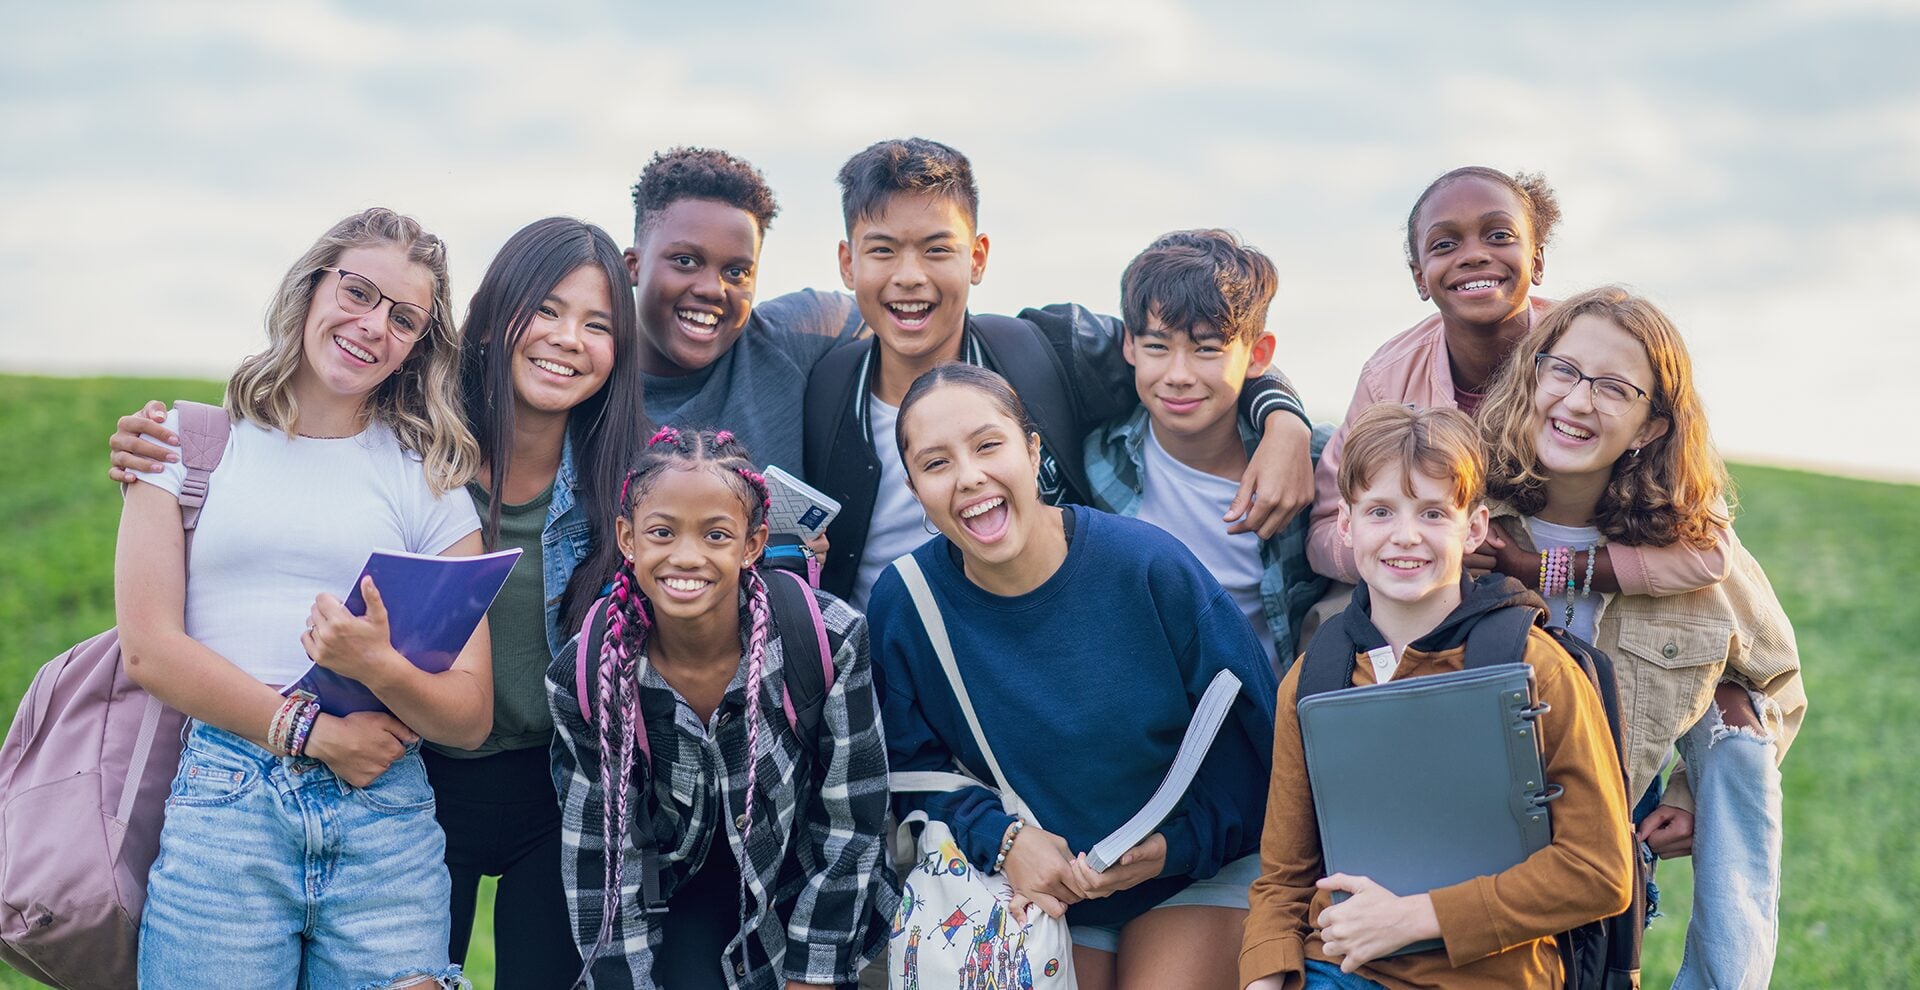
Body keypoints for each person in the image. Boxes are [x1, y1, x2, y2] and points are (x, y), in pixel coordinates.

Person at [116, 207, 490, 988]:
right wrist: (311, 733)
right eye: (356, 292)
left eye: (403, 318)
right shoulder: (181, 444)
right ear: (312, 286)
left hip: (384, 823)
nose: (371, 325)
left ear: (418, 346)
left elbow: (469, 711)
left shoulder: (428, 478)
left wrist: (376, 665)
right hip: (228, 805)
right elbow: (149, 648)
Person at [869, 364, 1277, 990]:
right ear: (914, 487)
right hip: (1038, 885)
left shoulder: (1149, 566)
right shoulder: (906, 602)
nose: (970, 477)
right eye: (936, 463)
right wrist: (1005, 841)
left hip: (1194, 870)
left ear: (1033, 450)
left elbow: (1265, 751)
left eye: (987, 445)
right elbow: (910, 771)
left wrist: (1177, 847)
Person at [805, 137, 1315, 609]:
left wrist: (1283, 421)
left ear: (977, 257)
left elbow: (1199, 345)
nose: (910, 276)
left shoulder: (1052, 350)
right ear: (848, 263)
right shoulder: (826, 385)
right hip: (881, 677)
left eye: (937, 249)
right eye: (882, 250)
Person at [1475, 286, 1805, 989]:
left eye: (1614, 388)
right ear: (1532, 372)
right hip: (1462, 865)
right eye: (1562, 370)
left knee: (1739, 734)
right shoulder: (1467, 511)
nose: (1577, 401)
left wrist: (1688, 792)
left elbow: (1776, 684)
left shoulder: (1693, 554)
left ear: (1650, 428)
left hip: (1599, 882)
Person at [1242, 403, 1632, 990]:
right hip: (1339, 970)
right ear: (1345, 525)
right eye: (1379, 511)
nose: (1405, 535)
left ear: (1473, 528)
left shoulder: (1536, 666)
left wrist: (1415, 918)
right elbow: (1283, 878)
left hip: (1495, 975)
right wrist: (1264, 980)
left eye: (1432, 512)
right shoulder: (1314, 676)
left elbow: (1598, 871)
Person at [546, 427, 896, 989]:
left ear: (752, 544)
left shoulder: (827, 640)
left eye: (716, 535)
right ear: (627, 538)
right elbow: (604, 861)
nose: (687, 556)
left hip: (797, 889)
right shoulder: (589, 675)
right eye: (661, 532)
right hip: (676, 898)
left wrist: (815, 975)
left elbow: (852, 821)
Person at [1303, 166, 1727, 598]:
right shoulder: (1388, 378)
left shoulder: (1595, 346)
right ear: (1419, 277)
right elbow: (1325, 532)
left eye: (1499, 236)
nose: (1473, 255)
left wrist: (1534, 569)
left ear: (1537, 260)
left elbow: (1706, 550)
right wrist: (1436, 550)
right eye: (1445, 244)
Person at [1084, 228, 1329, 673]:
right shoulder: (1097, 459)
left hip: (1279, 722)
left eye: (1207, 350)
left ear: (1258, 355)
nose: (1178, 374)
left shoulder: (1315, 460)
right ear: (1129, 346)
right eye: (1157, 346)